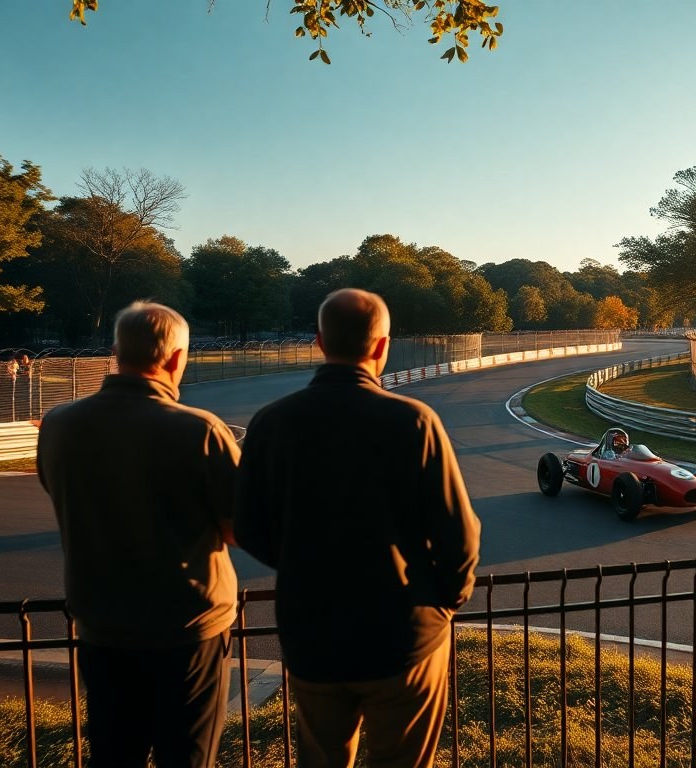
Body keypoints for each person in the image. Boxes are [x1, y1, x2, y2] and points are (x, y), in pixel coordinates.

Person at [235, 288, 481, 768]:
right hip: (404, 632)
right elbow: (459, 533)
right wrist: (444, 603)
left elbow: (247, 527)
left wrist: (301, 563)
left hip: (312, 634)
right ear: (382, 346)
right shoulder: (414, 421)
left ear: (319, 342)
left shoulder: (270, 423)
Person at [37, 302, 240, 768]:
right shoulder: (201, 430)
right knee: (186, 757)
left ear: (116, 352)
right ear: (176, 358)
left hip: (102, 625)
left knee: (113, 755)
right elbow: (238, 529)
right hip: (187, 628)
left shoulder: (59, 424)